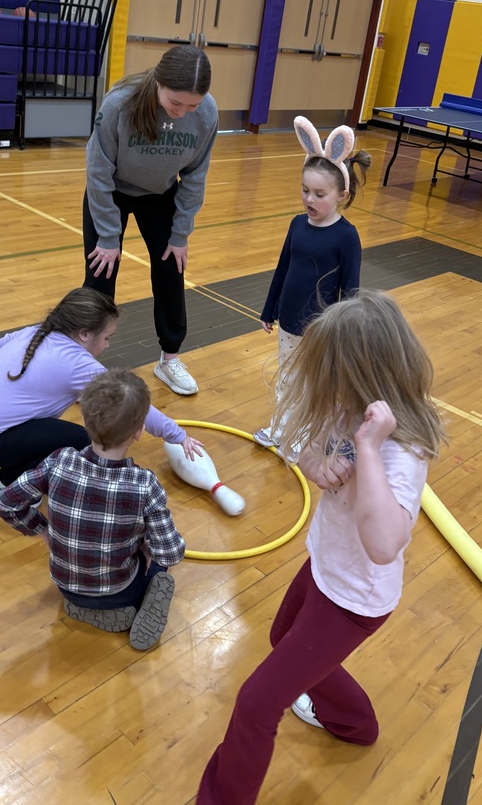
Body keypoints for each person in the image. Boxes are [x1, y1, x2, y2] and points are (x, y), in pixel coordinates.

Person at [197, 291, 445, 805]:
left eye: (332, 376)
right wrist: (314, 461)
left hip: (355, 599)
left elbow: (384, 545)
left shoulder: (401, 451)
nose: (324, 389)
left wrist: (370, 450)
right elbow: (314, 451)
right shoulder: (346, 411)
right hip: (326, 567)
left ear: (363, 376)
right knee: (280, 634)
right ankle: (355, 722)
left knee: (256, 704)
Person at [0, 288, 203, 504]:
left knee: (53, 432)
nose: (107, 345)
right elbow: (133, 404)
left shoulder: (38, 331)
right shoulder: (78, 365)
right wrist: (178, 435)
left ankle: (8, 459)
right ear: (84, 334)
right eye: (106, 338)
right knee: (82, 441)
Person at [0, 369, 185, 651]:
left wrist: (43, 529)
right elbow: (171, 552)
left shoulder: (58, 461)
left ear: (84, 420)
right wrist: (146, 546)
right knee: (160, 561)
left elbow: (6, 502)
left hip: (66, 586)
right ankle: (141, 600)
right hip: (121, 591)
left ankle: (85, 609)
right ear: (139, 432)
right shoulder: (145, 484)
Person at [83, 45, 218, 396]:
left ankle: (169, 359)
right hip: (110, 191)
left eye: (193, 105)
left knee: (172, 269)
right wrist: (109, 237)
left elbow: (195, 176)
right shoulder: (119, 103)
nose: (184, 111)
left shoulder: (207, 114)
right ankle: (84, 365)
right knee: (100, 273)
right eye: (176, 103)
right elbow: (98, 171)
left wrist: (180, 233)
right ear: (158, 82)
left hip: (160, 195)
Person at [254, 115, 371, 450]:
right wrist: (269, 308)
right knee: (286, 379)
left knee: (308, 384)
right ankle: (280, 429)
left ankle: (300, 437)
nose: (310, 199)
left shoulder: (347, 237)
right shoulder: (297, 225)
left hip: (319, 329)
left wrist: (342, 332)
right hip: (289, 322)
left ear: (342, 195)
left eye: (320, 194)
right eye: (305, 190)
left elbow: (351, 291)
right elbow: (282, 269)